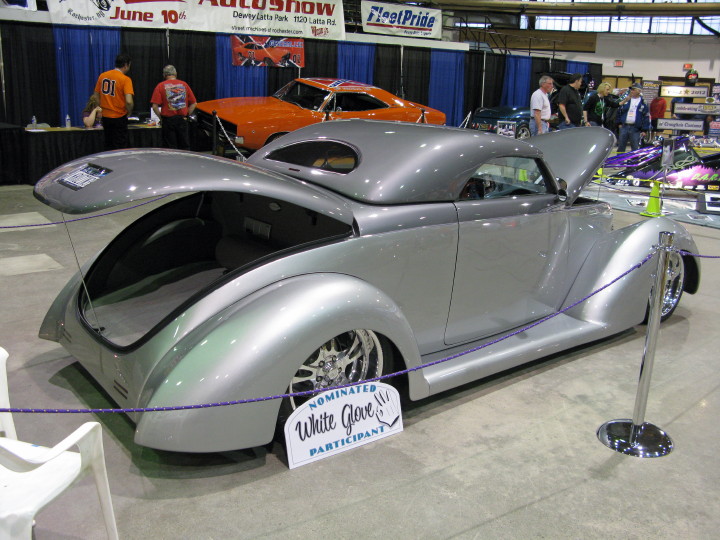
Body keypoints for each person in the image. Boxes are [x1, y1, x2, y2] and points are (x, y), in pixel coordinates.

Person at [150, 65, 197, 150]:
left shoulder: (160, 86)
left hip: (168, 121)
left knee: (170, 148)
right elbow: (194, 103)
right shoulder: (184, 85)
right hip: (182, 119)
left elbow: (154, 106)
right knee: (184, 146)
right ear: (176, 73)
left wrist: (161, 118)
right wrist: (186, 115)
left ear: (164, 75)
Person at [93, 53, 134, 150]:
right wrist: (129, 112)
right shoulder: (125, 79)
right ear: (126, 65)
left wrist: (100, 109)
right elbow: (129, 101)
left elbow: (95, 96)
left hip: (106, 117)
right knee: (120, 146)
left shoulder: (103, 76)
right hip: (119, 117)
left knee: (108, 145)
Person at [616, 83, 651, 153]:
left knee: (635, 147)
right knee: (621, 146)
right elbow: (619, 111)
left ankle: (634, 159)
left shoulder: (643, 102)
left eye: (634, 90)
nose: (632, 91)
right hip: (624, 126)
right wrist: (619, 123)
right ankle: (619, 159)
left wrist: (644, 130)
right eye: (631, 89)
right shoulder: (626, 100)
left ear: (639, 91)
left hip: (635, 128)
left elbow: (646, 116)